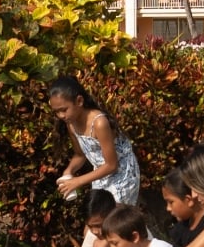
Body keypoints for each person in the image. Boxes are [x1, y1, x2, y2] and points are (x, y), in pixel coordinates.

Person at [49, 75, 140, 207]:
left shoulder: (99, 123)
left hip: (122, 175)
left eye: (64, 110)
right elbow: (80, 155)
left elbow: (111, 165)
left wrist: (77, 181)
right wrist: (69, 171)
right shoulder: (71, 123)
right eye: (56, 112)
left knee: (113, 216)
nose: (61, 116)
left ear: (79, 101)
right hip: (101, 175)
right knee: (97, 215)